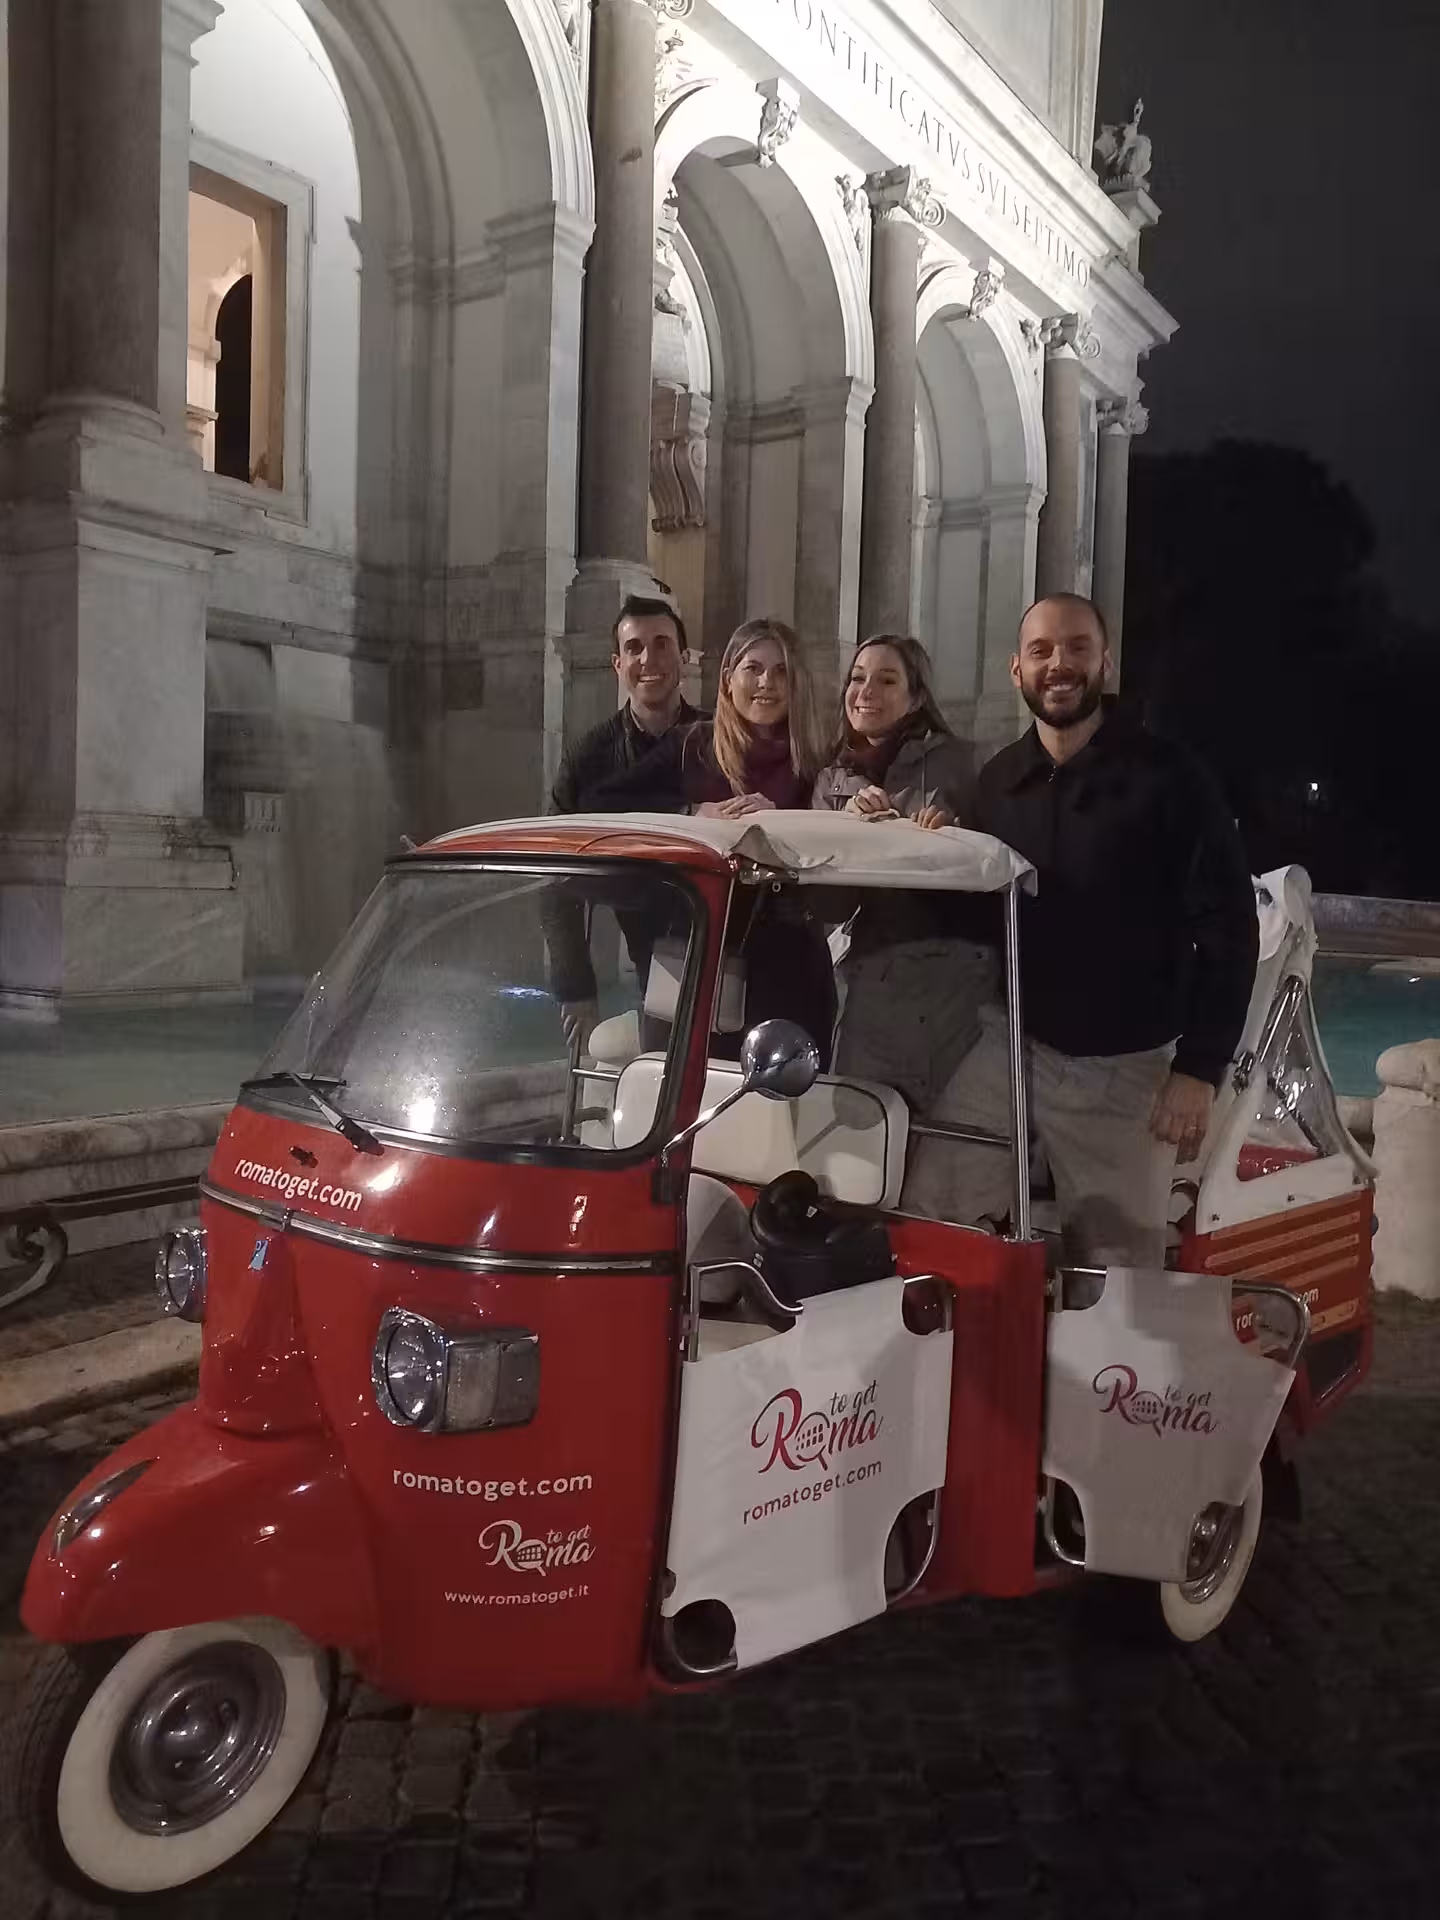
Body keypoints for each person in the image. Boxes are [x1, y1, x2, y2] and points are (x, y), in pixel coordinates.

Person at [903, 592, 1259, 1269]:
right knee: (937, 1215)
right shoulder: (1000, 781)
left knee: (1116, 1276)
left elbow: (1229, 930)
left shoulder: (1172, 779)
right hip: (1009, 1048)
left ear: (1105, 662)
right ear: (1016, 669)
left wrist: (1199, 1069)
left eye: (1075, 648)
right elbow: (980, 917)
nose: (1058, 664)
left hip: (1121, 1067)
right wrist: (937, 851)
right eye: (1041, 651)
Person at [593, 618, 837, 1062]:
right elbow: (601, 801)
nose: (767, 683)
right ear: (728, 679)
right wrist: (692, 814)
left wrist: (783, 826)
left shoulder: (820, 756)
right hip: (694, 961)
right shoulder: (694, 744)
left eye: (782, 671)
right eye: (754, 668)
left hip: (790, 968)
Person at [812, 635, 996, 1112]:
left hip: (955, 979)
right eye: (857, 678)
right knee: (864, 1132)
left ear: (916, 698)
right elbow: (830, 906)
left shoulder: (961, 761)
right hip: (876, 975)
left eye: (886, 679)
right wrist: (849, 835)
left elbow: (998, 865)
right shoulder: (832, 779)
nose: (866, 690)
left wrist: (956, 834)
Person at [547, 595, 703, 1050]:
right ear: (618, 664)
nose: (648, 659)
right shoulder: (589, 756)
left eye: (661, 644)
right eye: (634, 648)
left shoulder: (720, 739)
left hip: (731, 947)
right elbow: (557, 871)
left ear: (685, 658)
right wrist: (574, 984)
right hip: (651, 954)